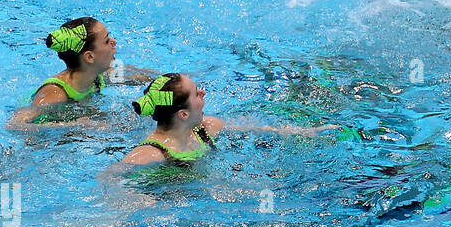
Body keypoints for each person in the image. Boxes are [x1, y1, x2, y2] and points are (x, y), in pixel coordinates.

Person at [120, 72, 337, 169]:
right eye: (196, 94)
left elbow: (261, 130)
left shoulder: (207, 128)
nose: (203, 94)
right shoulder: (152, 153)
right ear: (183, 114)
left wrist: (305, 132)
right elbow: (110, 179)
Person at [10, 17, 155, 126]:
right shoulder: (55, 94)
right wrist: (73, 125)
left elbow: (137, 77)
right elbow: (16, 124)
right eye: (106, 41)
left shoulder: (99, 76)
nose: (114, 42)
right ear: (90, 57)